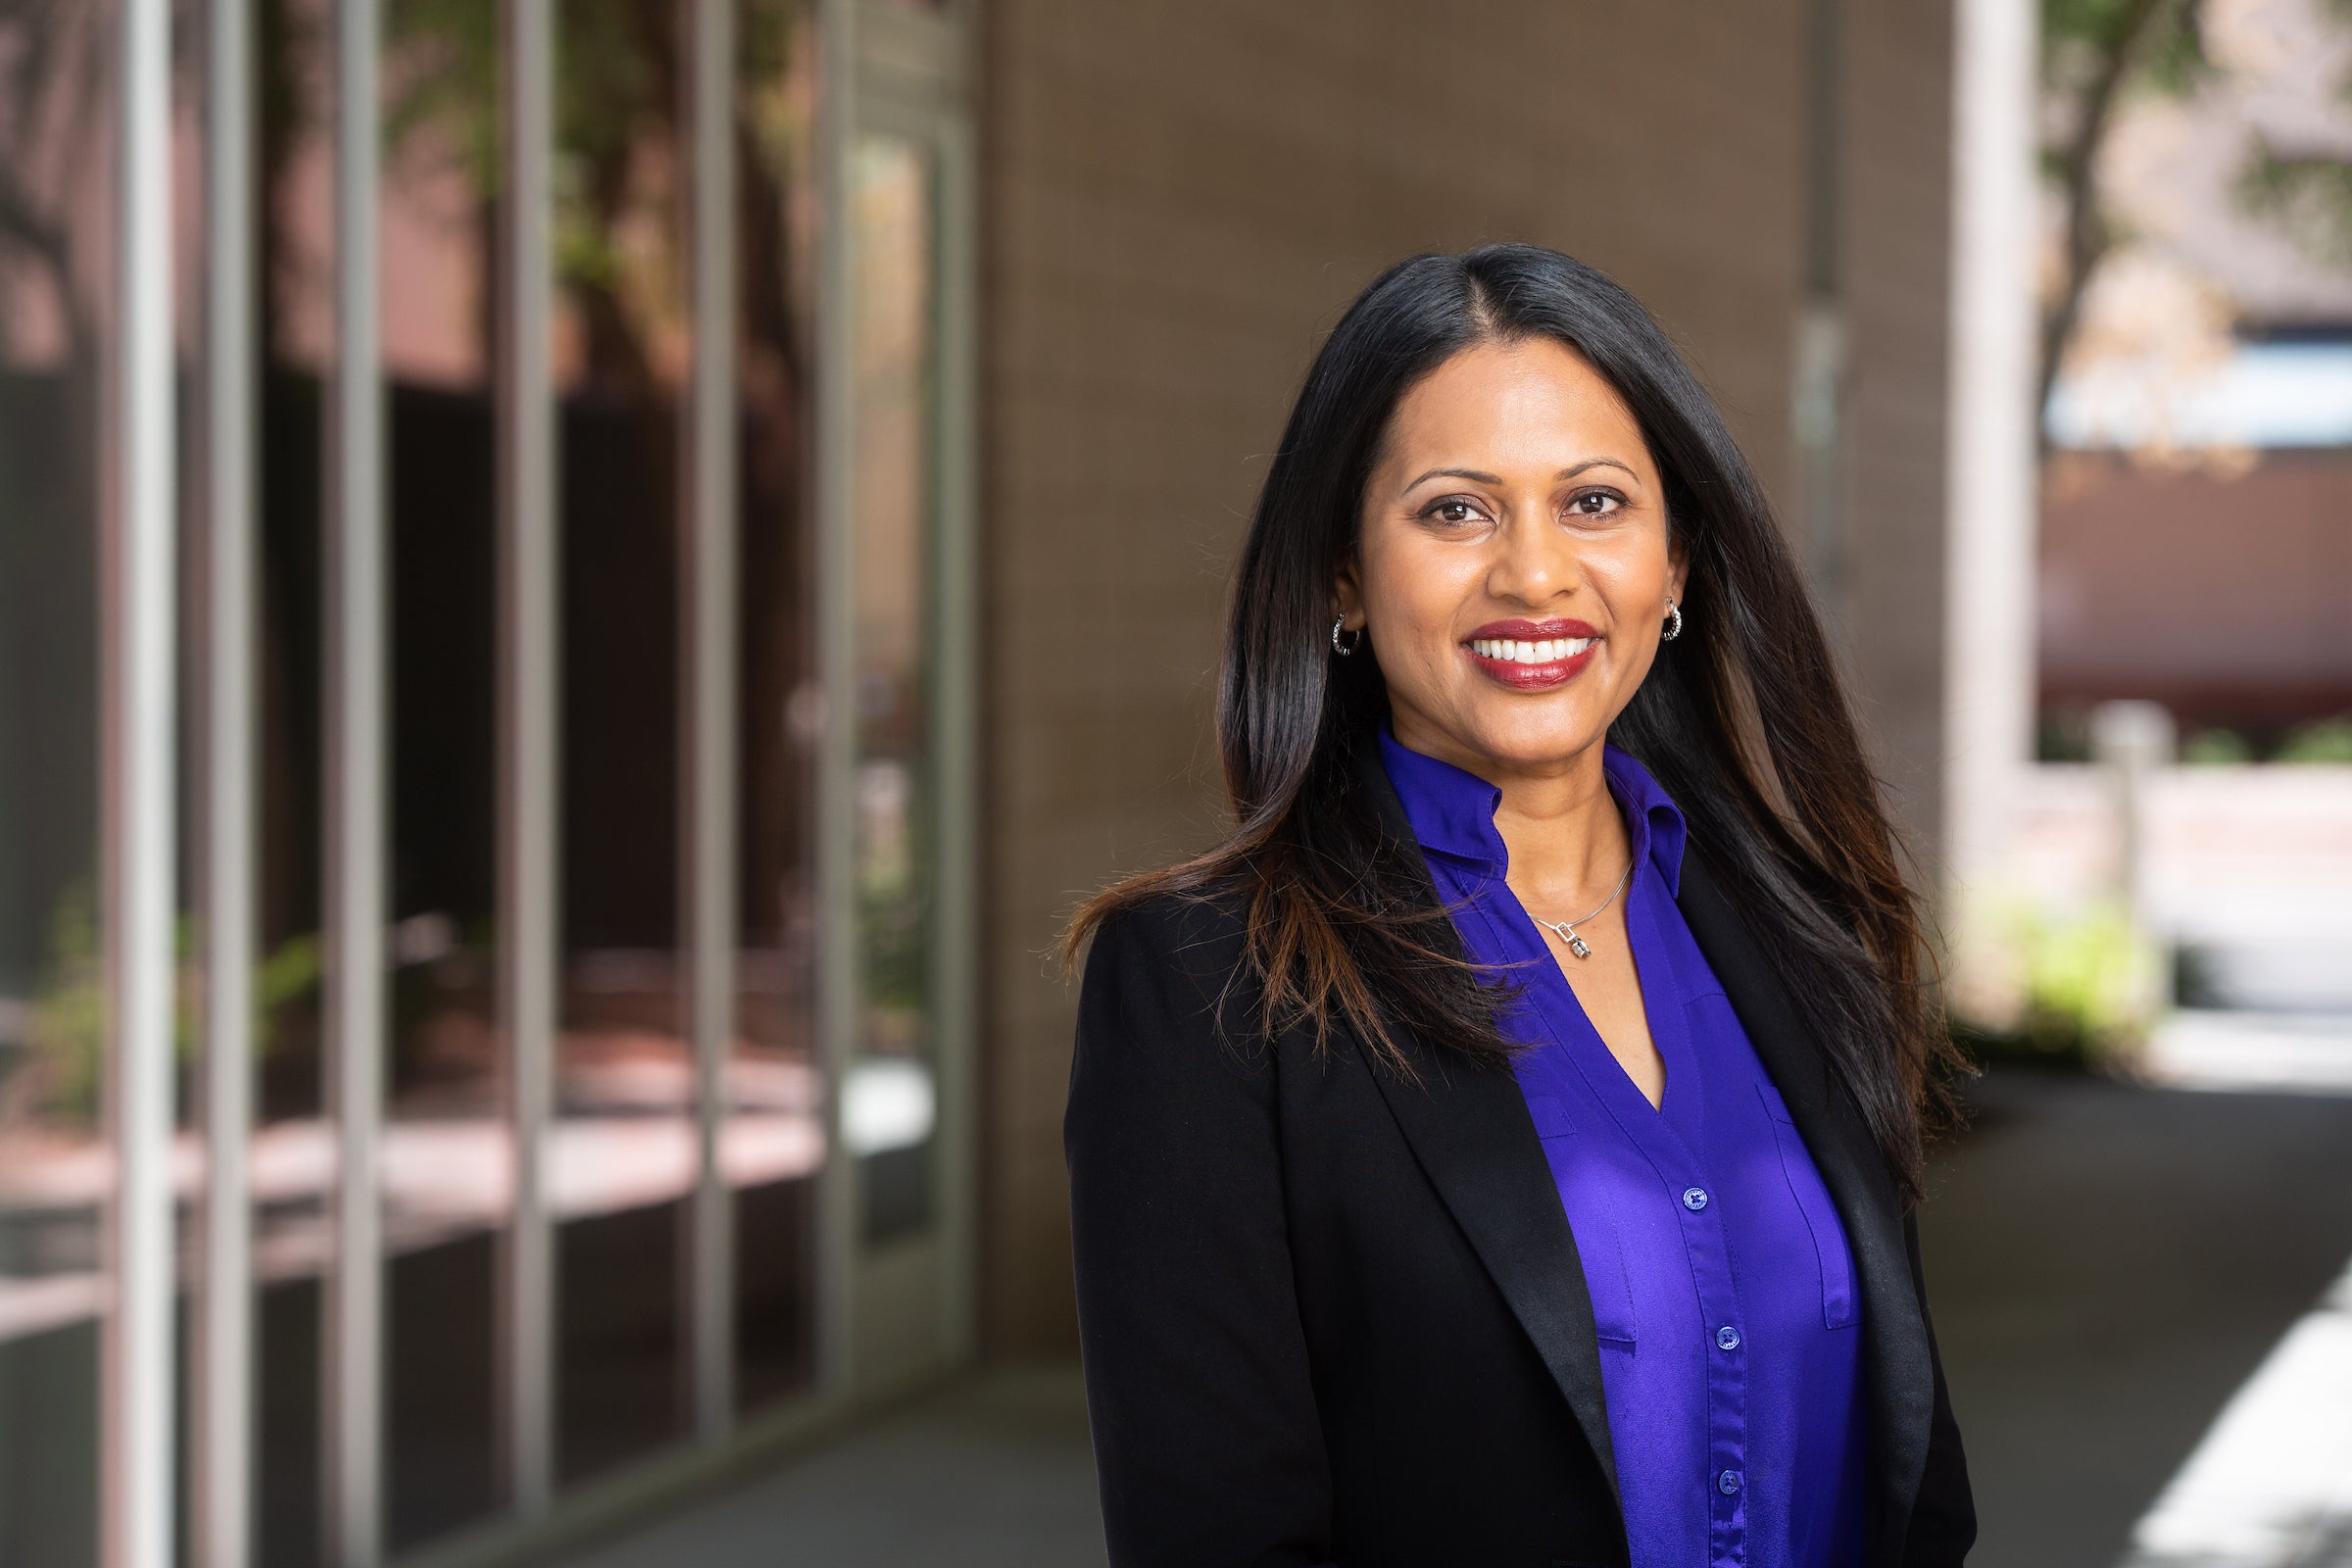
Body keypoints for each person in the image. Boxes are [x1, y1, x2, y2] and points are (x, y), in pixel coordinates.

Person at [1060, 244, 1975, 1568]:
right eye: (1454, 512)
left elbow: (1912, 1477)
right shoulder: (1208, 990)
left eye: (1595, 502)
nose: (1535, 574)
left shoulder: (1801, 930)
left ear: (1676, 567)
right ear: (1340, 576)